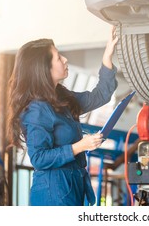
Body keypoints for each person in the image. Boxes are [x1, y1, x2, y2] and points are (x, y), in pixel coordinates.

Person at [7, 28, 119, 206]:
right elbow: (39, 158)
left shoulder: (61, 97)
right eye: (59, 57)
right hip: (53, 191)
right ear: (44, 69)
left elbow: (100, 95)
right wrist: (80, 146)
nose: (65, 59)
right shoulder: (36, 110)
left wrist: (107, 56)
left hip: (71, 184)